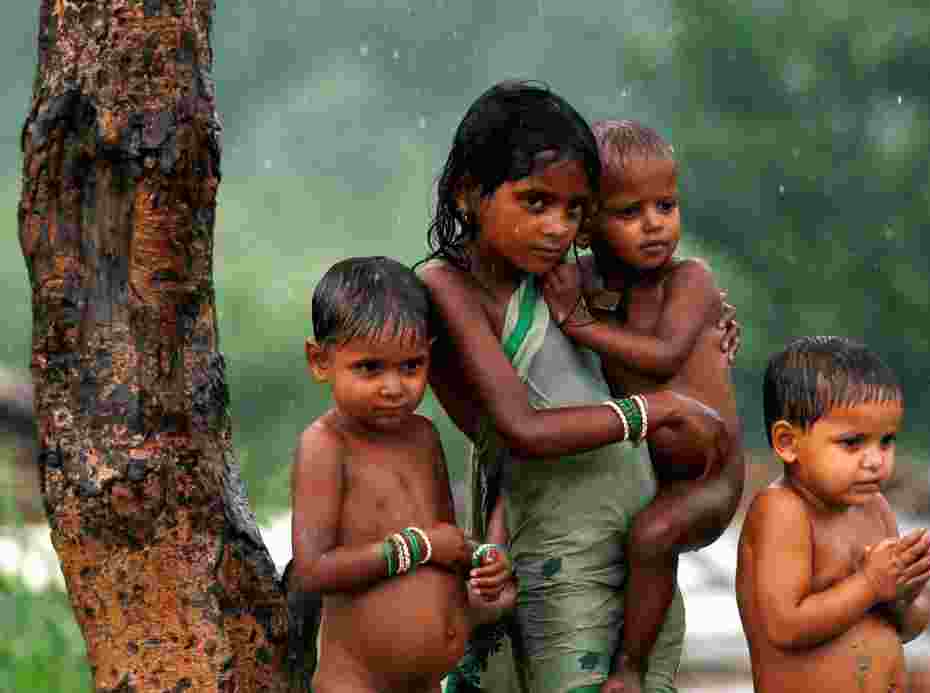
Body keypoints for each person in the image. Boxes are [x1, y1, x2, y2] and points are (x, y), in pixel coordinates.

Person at [418, 81, 731, 693]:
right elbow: (523, 429)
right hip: (556, 562)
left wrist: (702, 324)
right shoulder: (444, 287)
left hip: (640, 560)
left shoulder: (567, 279)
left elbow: (656, 321)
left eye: (571, 210)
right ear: (468, 194)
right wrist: (656, 409)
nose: (556, 226)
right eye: (535, 203)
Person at [540, 119, 745, 693]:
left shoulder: (691, 280)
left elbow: (660, 356)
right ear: (586, 227)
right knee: (635, 541)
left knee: (653, 539)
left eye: (667, 205)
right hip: (644, 469)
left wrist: (579, 325)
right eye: (629, 213)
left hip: (709, 475)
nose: (655, 225)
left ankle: (629, 669)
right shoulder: (578, 278)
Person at [290, 256, 516, 693]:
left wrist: (482, 562)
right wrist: (419, 546)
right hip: (356, 682)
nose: (393, 387)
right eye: (369, 368)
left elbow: (444, 544)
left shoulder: (424, 437)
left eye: (410, 366)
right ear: (320, 361)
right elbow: (312, 570)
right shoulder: (327, 444)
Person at [736, 336, 930, 693]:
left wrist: (902, 597)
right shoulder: (783, 510)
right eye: (852, 443)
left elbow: (908, 627)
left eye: (886, 441)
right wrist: (870, 585)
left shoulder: (875, 507)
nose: (875, 460)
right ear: (788, 442)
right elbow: (784, 626)